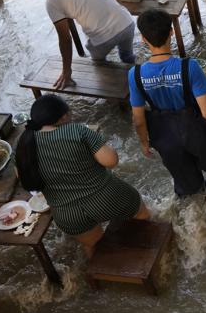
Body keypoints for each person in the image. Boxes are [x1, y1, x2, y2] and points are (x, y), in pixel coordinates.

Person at [129, 10, 206, 220]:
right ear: (171, 33)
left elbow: (139, 119)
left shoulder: (136, 74)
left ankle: (195, 218)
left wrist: (144, 143)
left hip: (166, 140)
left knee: (187, 185)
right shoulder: (189, 67)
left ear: (142, 38)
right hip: (196, 131)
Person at [16, 95, 149, 256]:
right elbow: (111, 161)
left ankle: (95, 266)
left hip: (67, 215)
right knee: (141, 212)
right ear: (63, 116)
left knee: (94, 246)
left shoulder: (23, 145)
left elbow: (23, 178)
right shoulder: (76, 131)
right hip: (107, 197)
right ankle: (147, 247)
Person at [19, 0, 136, 88]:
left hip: (103, 40)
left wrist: (66, 72)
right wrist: (115, 12)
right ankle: (134, 73)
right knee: (127, 56)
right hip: (127, 23)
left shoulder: (52, 1)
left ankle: (117, 90)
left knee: (98, 64)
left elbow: (65, 39)